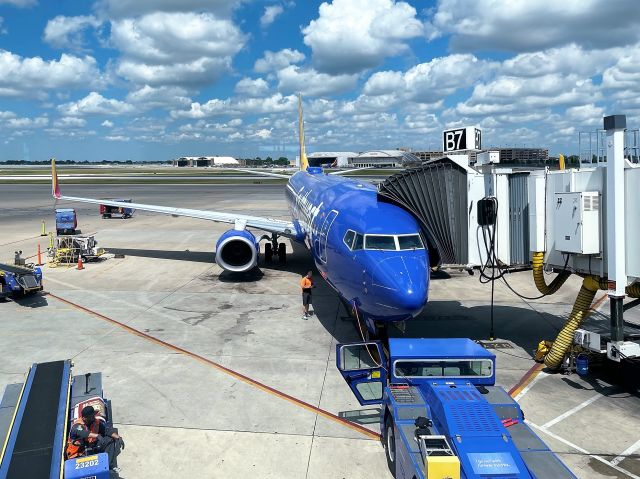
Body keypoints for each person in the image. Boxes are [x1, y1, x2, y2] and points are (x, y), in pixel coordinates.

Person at [67, 405, 124, 471]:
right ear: (85, 418)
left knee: (110, 440)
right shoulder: (77, 425)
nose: (93, 417)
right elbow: (82, 433)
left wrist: (118, 437)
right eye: (91, 416)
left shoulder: (95, 422)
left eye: (93, 415)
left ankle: (107, 466)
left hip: (90, 448)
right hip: (77, 454)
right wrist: (97, 436)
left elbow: (106, 431)